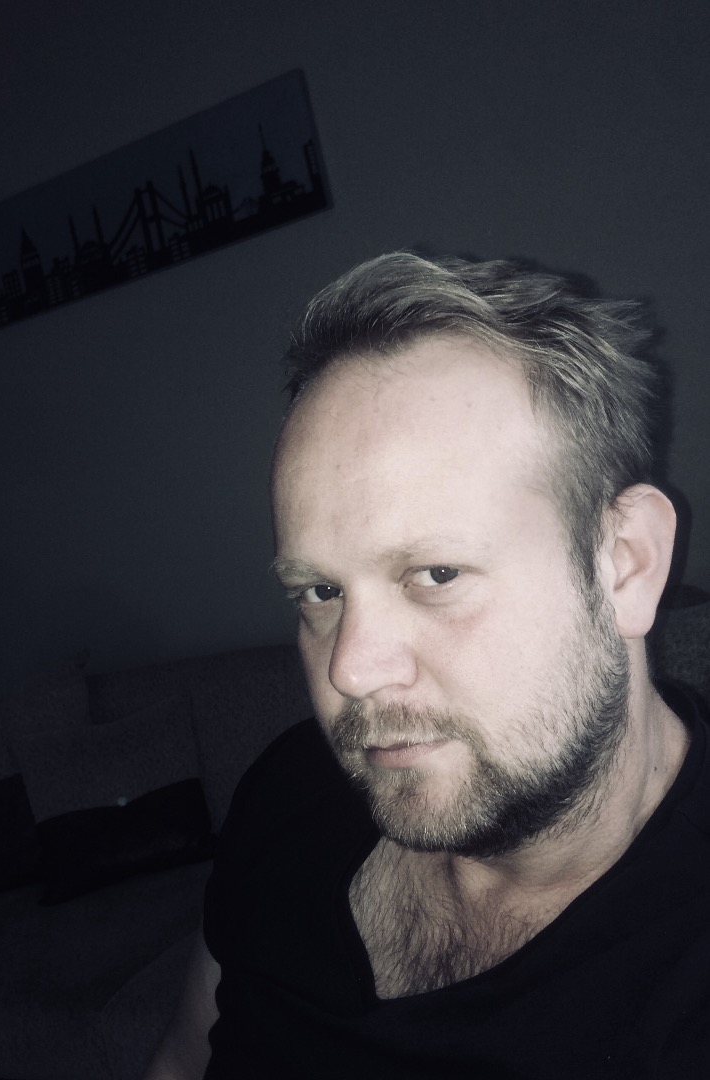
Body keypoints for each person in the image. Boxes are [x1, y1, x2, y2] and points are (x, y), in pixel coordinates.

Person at [146, 252, 710, 1078]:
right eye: (319, 591)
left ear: (627, 564)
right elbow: (180, 1063)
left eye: (436, 574)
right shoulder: (291, 788)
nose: (351, 671)